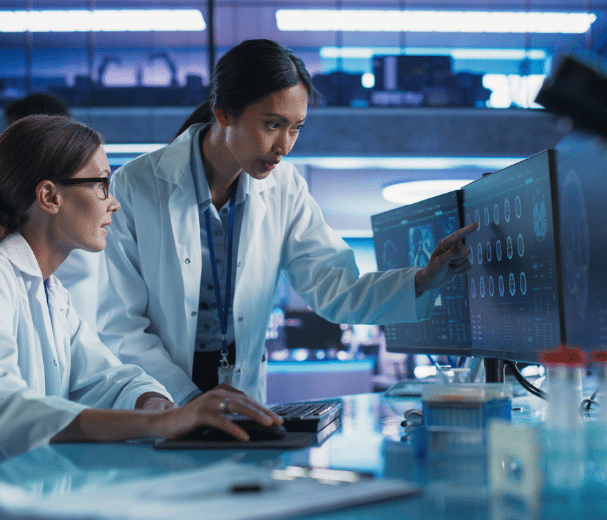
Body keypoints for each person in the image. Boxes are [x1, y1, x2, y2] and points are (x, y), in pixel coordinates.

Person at [0, 115, 280, 517]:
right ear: (49, 196)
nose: (112, 201)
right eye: (100, 184)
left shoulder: (50, 293)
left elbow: (109, 378)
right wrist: (157, 427)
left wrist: (157, 406)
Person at [98, 39, 478, 406]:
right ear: (223, 112)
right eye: (272, 125)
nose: (284, 146)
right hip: (160, 400)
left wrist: (423, 280)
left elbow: (334, 287)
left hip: (240, 403)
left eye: (296, 127)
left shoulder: (285, 187)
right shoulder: (136, 185)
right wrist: (186, 400)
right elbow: (121, 323)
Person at [4, 92, 102, 333]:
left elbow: (81, 260)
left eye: (10, 133)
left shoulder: (72, 179)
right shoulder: (44, 181)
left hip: (67, 314)